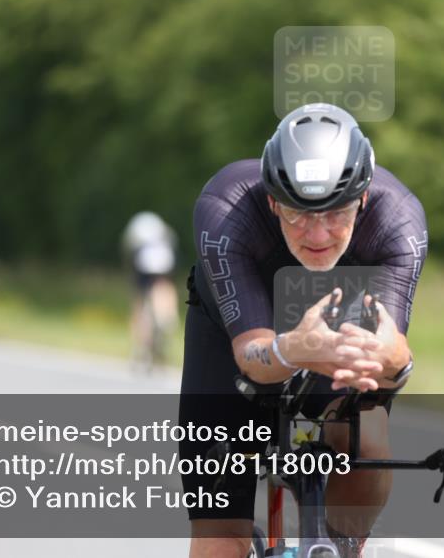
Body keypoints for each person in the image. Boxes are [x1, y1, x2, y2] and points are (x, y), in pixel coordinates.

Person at [180, 103, 426, 558]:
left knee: (367, 441)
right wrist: (292, 349)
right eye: (297, 213)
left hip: (337, 341)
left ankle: (342, 547)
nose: (317, 233)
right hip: (235, 339)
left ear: (364, 199)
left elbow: (390, 362)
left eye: (337, 213)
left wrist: (395, 363)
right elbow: (251, 357)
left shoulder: (399, 223)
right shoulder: (226, 208)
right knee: (218, 543)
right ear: (272, 201)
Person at [122, 211, 179, 367]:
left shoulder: (136, 231)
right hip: (164, 262)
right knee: (165, 286)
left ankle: (140, 346)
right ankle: (168, 316)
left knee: (139, 303)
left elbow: (129, 255)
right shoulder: (164, 233)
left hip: (143, 265)